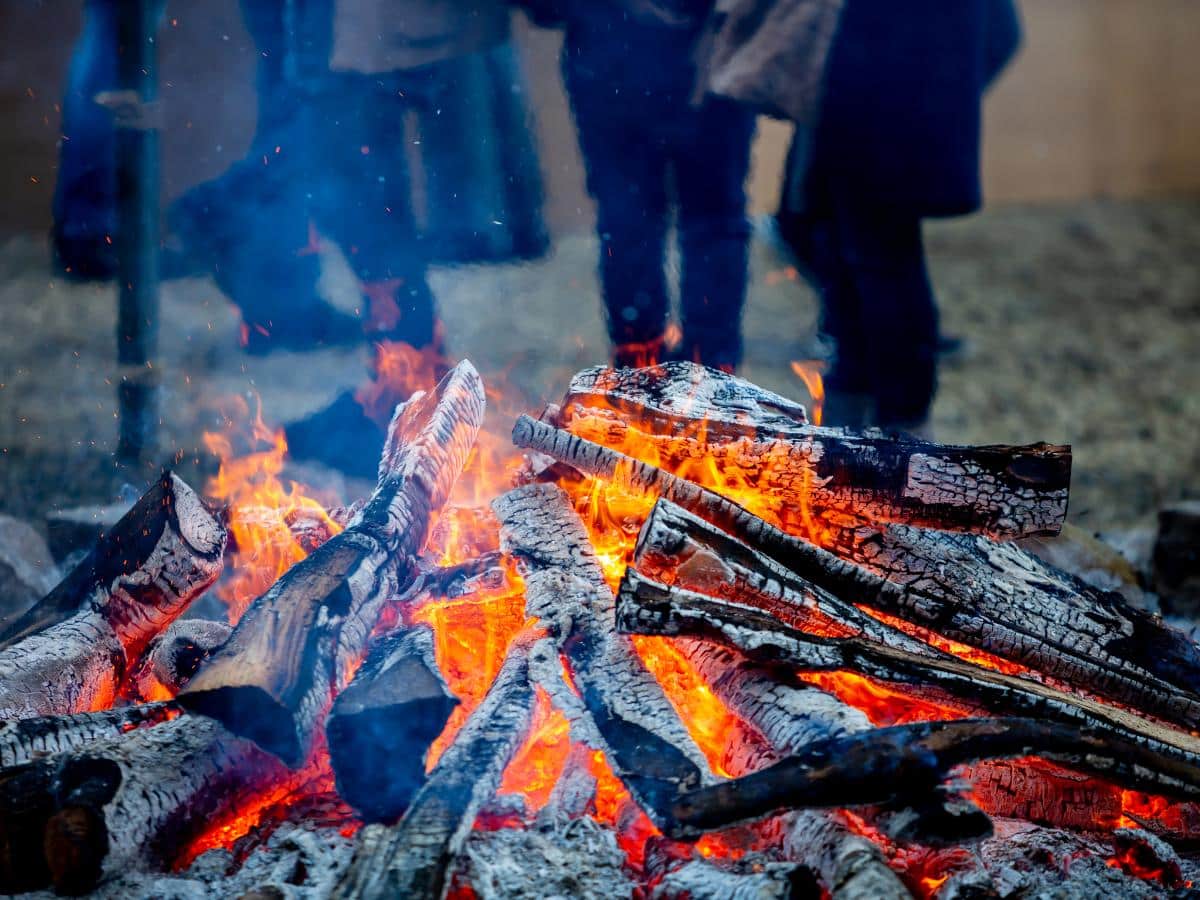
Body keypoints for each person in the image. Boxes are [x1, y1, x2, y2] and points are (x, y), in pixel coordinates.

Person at [776, 0, 1022, 430]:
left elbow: (1002, 31)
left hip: (883, 113)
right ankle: (851, 422)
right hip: (848, 114)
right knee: (836, 251)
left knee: (880, 261)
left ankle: (902, 433)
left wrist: (937, 97)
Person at [531, 1, 757, 371]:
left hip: (653, 50)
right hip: (626, 51)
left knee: (657, 222)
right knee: (677, 222)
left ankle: (688, 375)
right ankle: (664, 372)